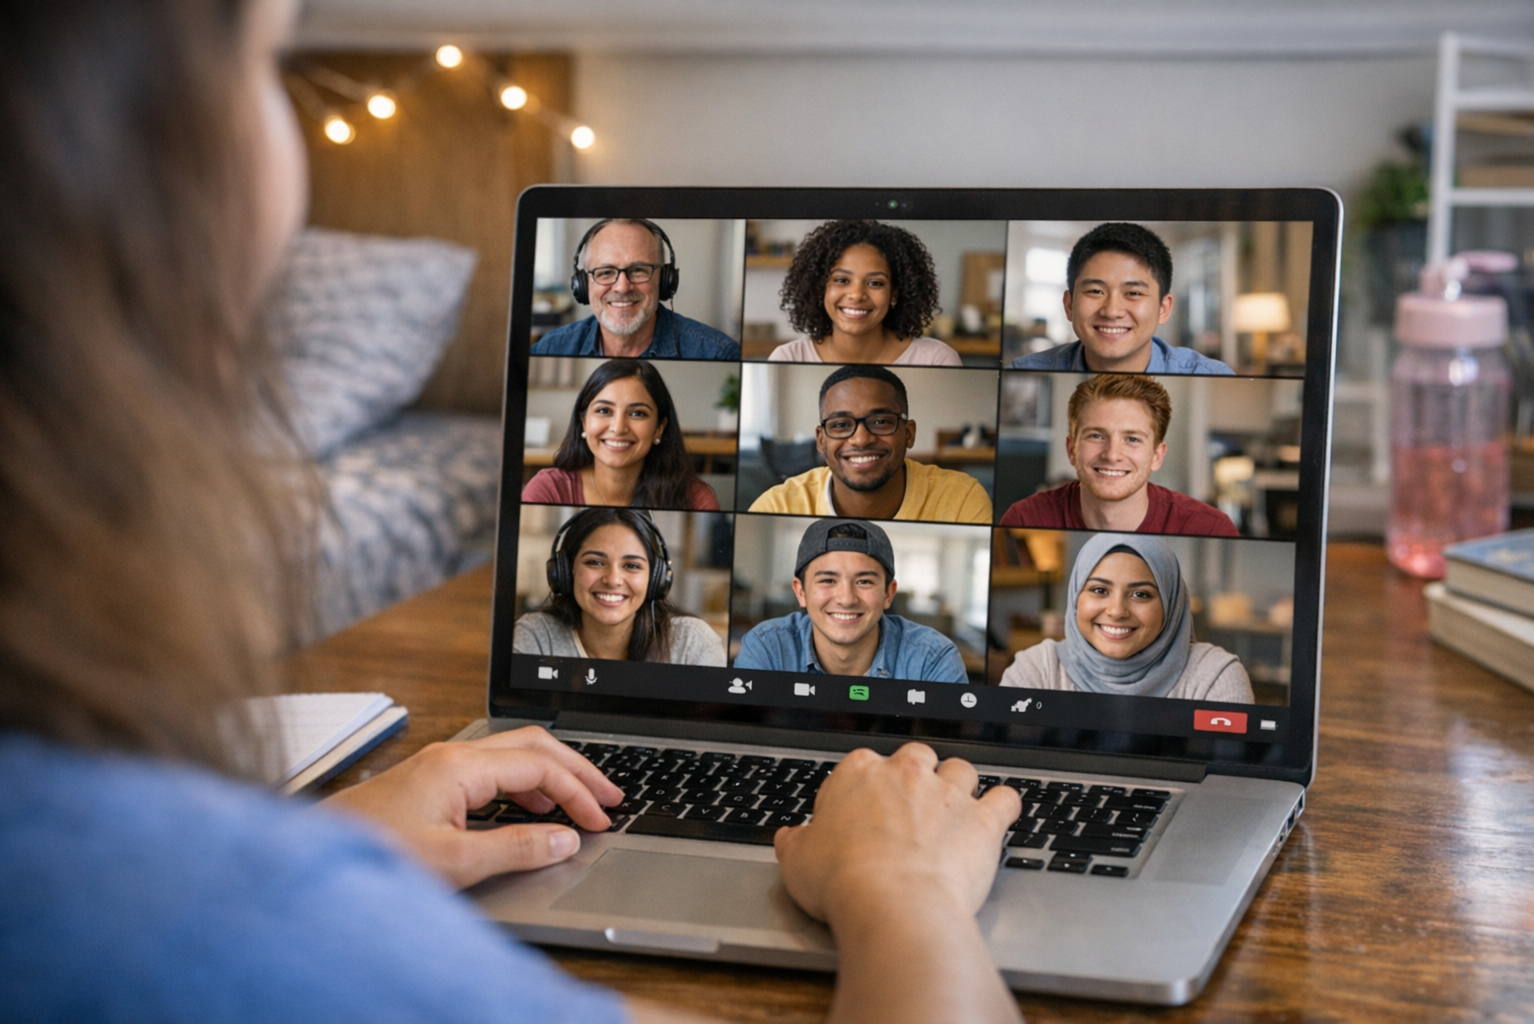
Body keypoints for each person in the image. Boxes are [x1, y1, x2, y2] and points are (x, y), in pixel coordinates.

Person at [0, 3, 1029, 1022]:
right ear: (146, 150)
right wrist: (905, 891)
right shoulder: (191, 914)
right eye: (268, 58)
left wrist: (330, 840)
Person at [999, 534, 1255, 703]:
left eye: (1141, 594)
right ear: (1076, 596)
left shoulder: (1214, 677)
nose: (1117, 610)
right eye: (1099, 590)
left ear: (1170, 604)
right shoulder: (1036, 671)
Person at [999, 374, 1239, 536]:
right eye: (1096, 436)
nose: (1112, 455)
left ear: (1157, 455)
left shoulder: (1209, 528)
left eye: (1132, 439)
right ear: (1071, 449)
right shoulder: (1024, 519)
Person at [749, 365, 993, 524]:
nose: (861, 439)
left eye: (880, 421)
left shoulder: (961, 499)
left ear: (908, 434)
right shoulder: (775, 506)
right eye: (841, 424)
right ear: (821, 441)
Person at [735, 520, 967, 683]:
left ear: (889, 593)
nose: (846, 599)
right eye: (827, 580)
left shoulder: (933, 659)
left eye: (864, 582)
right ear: (801, 592)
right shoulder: (766, 647)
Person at [1008, 223, 1234, 375]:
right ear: (1069, 305)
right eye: (1096, 291)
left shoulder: (1211, 374)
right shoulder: (1023, 371)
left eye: (1133, 293)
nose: (1112, 310)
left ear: (1163, 309)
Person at [514, 508, 726, 665]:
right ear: (565, 571)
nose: (613, 579)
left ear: (656, 579)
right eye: (595, 562)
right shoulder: (536, 635)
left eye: (632, 565)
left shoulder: (693, 644)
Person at [522, 359, 720, 510]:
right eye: (604, 411)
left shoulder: (696, 500)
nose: (618, 428)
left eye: (637, 413)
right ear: (583, 421)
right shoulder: (547, 491)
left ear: (659, 428)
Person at [532, 218, 740, 360]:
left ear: (665, 279)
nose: (622, 287)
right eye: (605, 272)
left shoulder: (718, 353)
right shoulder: (550, 347)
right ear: (583, 284)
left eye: (639, 270)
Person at [770, 220, 962, 366]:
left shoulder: (936, 359)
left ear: (894, 293)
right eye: (842, 280)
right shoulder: (788, 358)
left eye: (875, 283)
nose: (856, 294)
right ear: (820, 287)